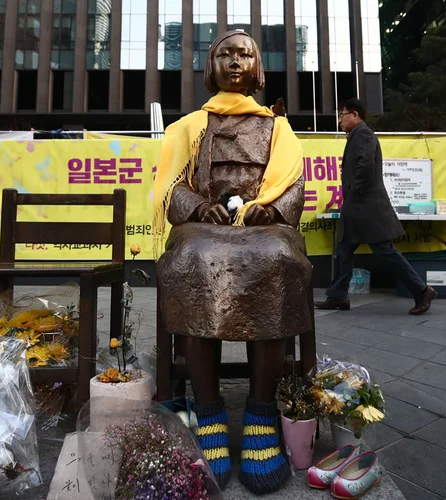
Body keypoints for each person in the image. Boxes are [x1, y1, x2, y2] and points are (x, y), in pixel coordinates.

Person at [153, 31, 308, 494]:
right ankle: (208, 414)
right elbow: (170, 187)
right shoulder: (187, 128)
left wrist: (272, 208)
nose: (235, 61)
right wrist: (199, 207)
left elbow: (293, 185)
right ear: (210, 65)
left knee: (277, 257)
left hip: (263, 229)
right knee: (195, 258)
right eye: (225, 53)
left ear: (258, 67)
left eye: (245, 54)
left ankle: (262, 414)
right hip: (202, 228)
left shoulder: (278, 128)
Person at [314, 98, 437, 315]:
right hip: (358, 206)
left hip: (368, 207)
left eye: (342, 115)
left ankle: (422, 290)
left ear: (355, 115)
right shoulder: (356, 135)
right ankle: (338, 296)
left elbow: (366, 165)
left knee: (385, 252)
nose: (340, 120)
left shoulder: (363, 134)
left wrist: (353, 190)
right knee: (344, 249)